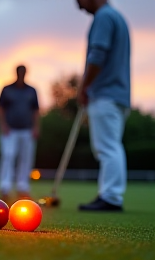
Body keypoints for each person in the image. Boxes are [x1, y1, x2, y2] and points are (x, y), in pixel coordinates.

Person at [76, 0, 131, 211]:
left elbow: (97, 56)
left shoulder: (104, 17)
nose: (79, 6)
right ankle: (110, 194)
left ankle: (111, 196)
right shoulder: (117, 17)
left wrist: (84, 87)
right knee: (112, 145)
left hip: (105, 94)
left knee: (107, 147)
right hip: (118, 94)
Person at [0, 65, 40, 204]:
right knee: (8, 156)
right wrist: (3, 125)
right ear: (16, 73)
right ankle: (5, 187)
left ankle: (23, 187)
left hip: (27, 130)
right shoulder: (7, 89)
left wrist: (36, 127)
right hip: (10, 130)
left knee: (26, 158)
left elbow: (36, 111)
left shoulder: (32, 90)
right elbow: (1, 109)